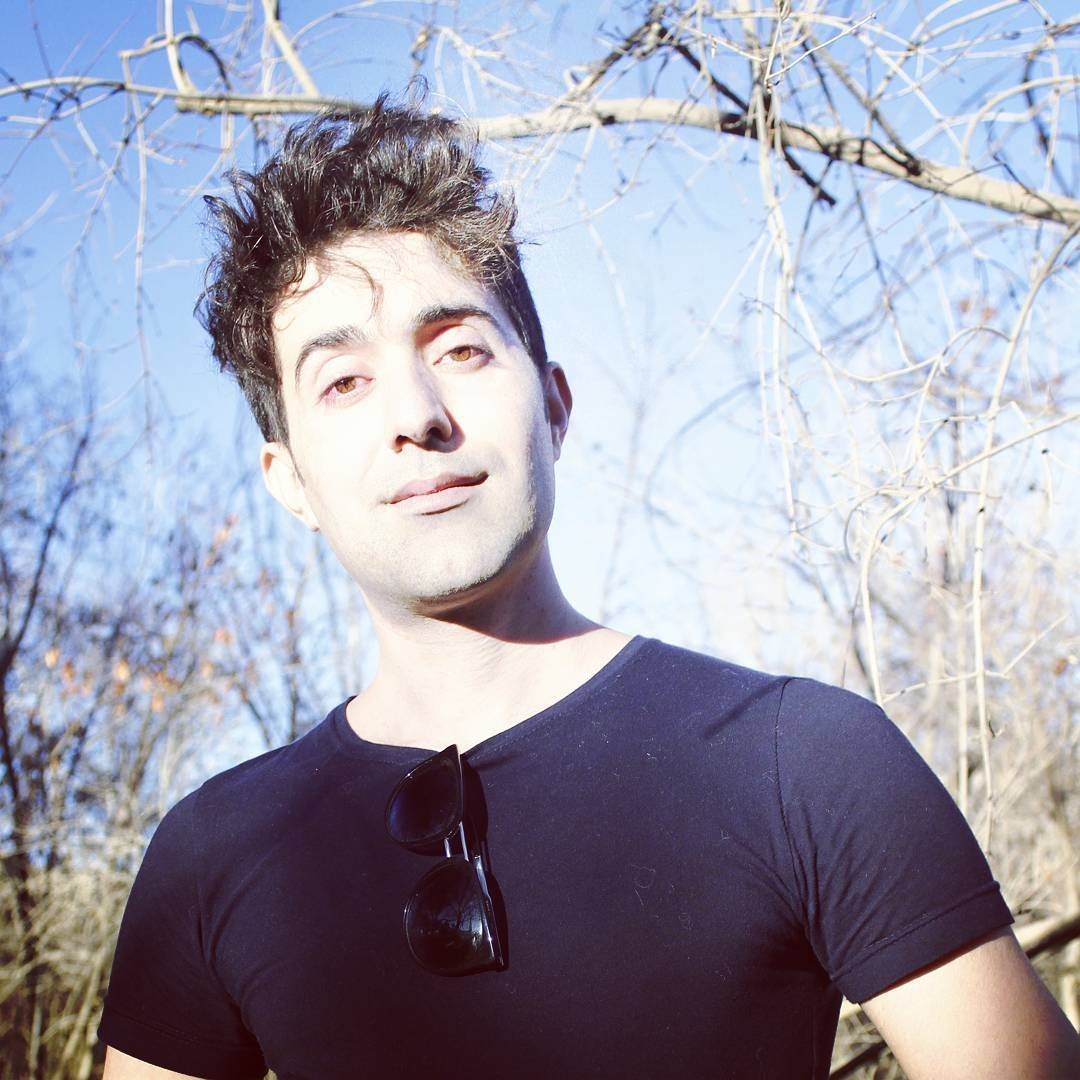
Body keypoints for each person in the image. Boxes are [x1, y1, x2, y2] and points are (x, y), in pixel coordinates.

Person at [99, 98, 1079, 1079]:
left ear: (555, 407)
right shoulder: (213, 857)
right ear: (290, 481)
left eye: (460, 349)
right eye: (342, 381)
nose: (416, 414)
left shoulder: (802, 762)